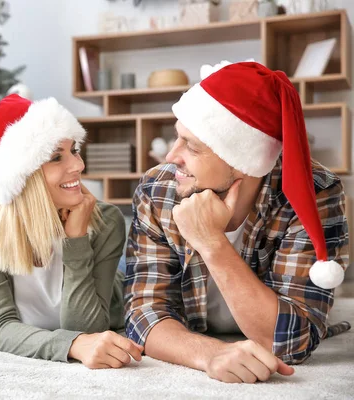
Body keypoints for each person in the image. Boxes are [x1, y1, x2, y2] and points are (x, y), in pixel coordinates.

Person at [124, 61, 350, 383]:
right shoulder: (158, 189)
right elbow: (143, 315)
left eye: (192, 146)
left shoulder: (314, 194)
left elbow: (292, 341)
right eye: (178, 137)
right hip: (203, 335)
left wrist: (212, 243)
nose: (171, 156)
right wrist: (211, 353)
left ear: (242, 160)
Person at [0, 94, 143, 369]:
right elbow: (1, 328)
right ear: (23, 176)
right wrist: (72, 345)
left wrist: (76, 240)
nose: (79, 165)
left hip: (120, 291)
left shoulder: (106, 221)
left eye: (74, 149)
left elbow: (86, 328)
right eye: (56, 157)